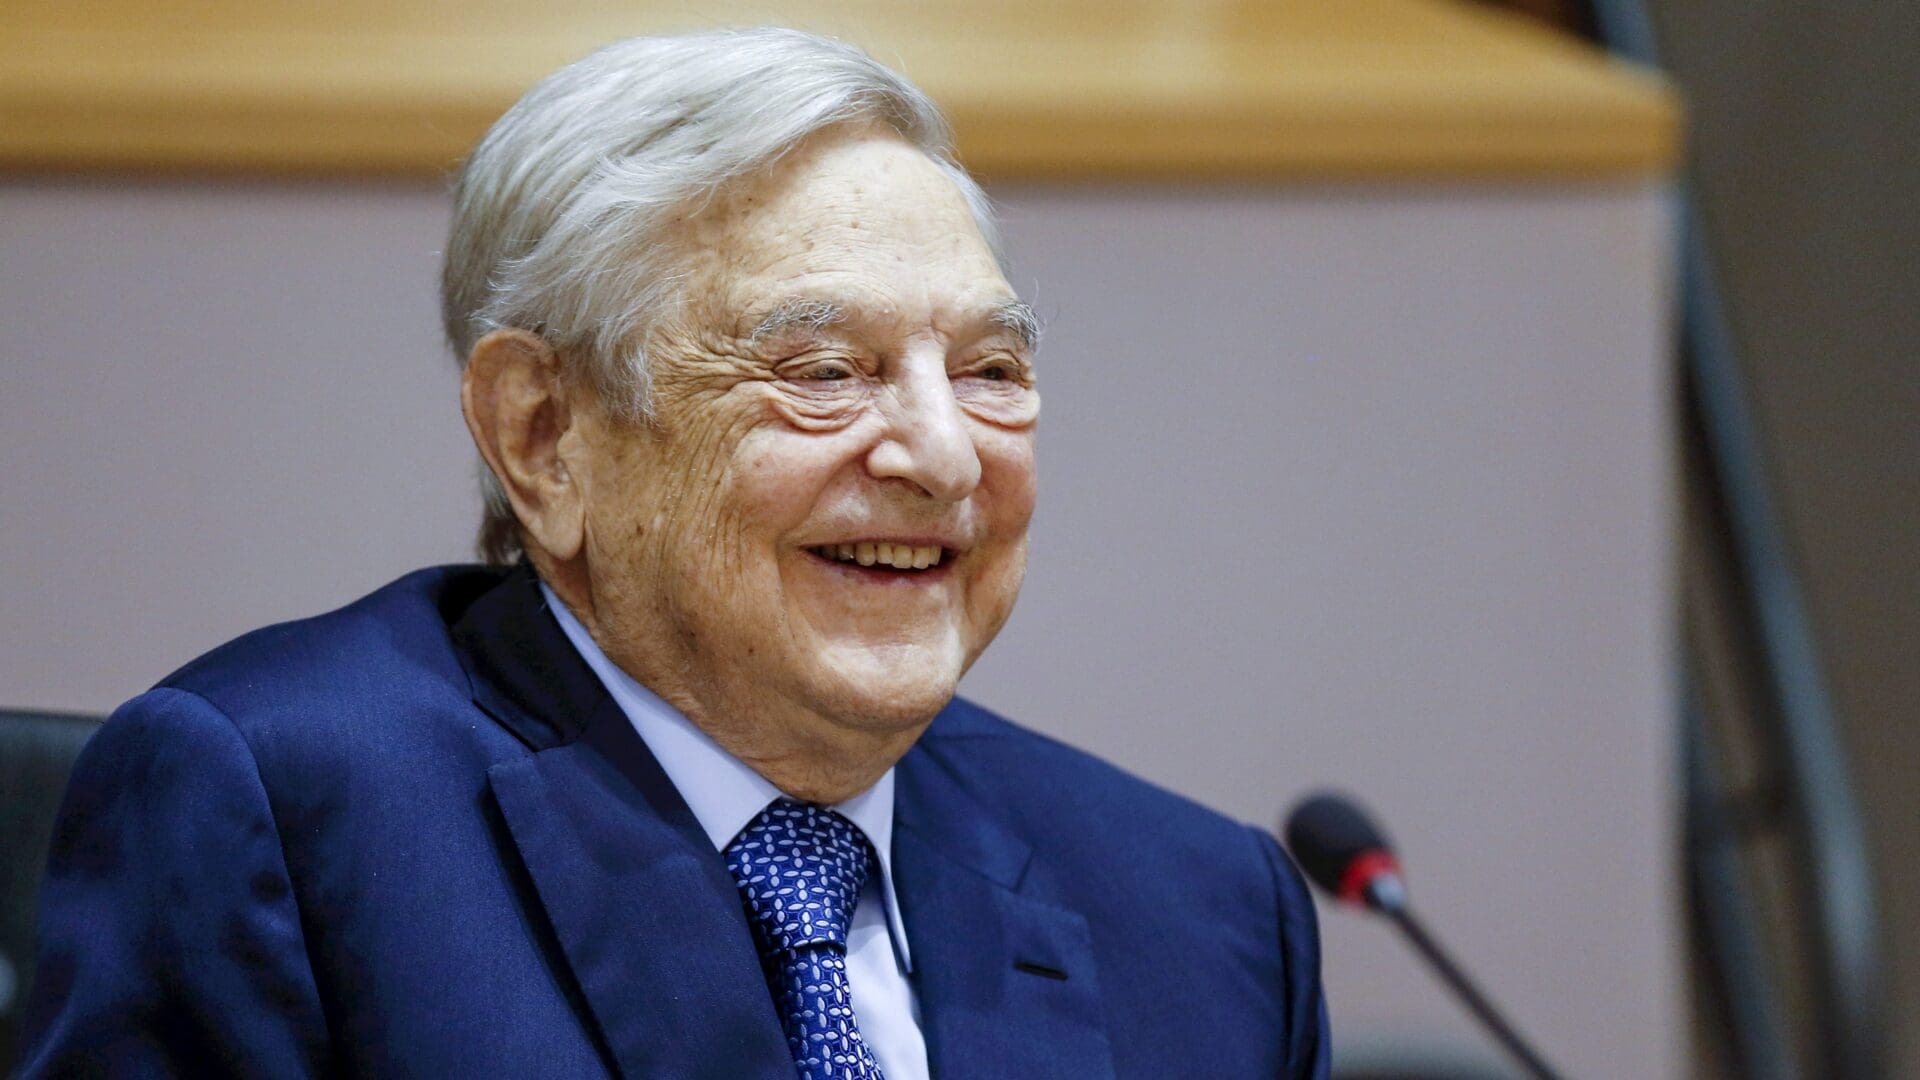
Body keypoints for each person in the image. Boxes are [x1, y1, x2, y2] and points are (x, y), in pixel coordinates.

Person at [18, 28, 1328, 1079]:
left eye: (991, 371)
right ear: (544, 435)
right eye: (824, 370)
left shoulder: (1204, 916)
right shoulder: (289, 823)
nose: (942, 454)